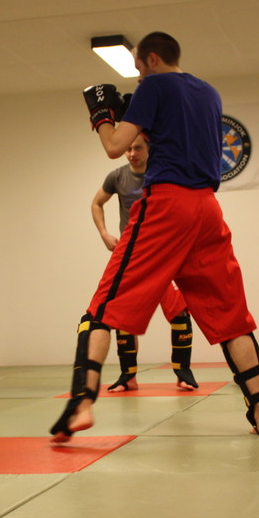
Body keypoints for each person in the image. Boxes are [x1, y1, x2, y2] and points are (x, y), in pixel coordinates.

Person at [51, 32, 259, 443]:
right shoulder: (209, 93)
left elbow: (114, 147)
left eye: (139, 68)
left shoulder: (155, 85)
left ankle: (81, 404)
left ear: (152, 59)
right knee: (231, 317)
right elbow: (179, 141)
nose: (138, 78)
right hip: (208, 209)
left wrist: (104, 118)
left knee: (104, 307)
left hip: (166, 205)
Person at [90, 133, 199, 392]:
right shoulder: (116, 177)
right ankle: (128, 377)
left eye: (137, 148)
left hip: (165, 253)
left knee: (179, 312)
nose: (131, 154)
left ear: (149, 147)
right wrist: (105, 234)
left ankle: (183, 372)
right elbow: (96, 203)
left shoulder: (163, 173)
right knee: (121, 315)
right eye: (128, 149)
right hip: (132, 256)